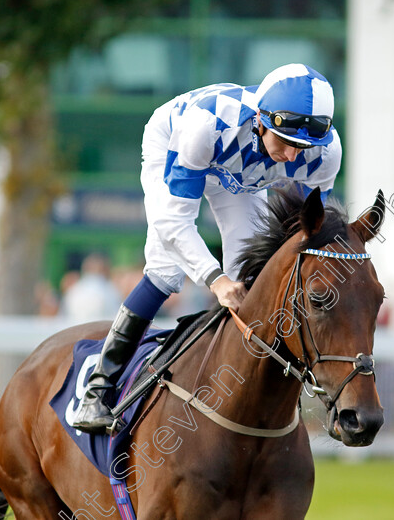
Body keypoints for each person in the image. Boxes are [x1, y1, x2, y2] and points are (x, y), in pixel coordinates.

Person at [73, 63, 342, 433]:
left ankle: (231, 387)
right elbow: (173, 225)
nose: (294, 157)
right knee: (167, 269)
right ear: (262, 119)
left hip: (240, 172)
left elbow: (302, 233)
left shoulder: (326, 153)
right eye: (287, 143)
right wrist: (214, 280)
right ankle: (98, 390)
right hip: (177, 142)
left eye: (304, 147)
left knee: (249, 278)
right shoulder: (203, 125)